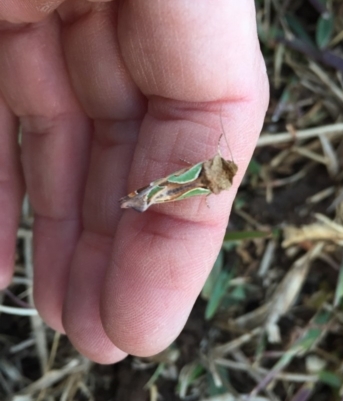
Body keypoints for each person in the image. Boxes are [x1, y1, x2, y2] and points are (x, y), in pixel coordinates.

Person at [0, 0, 269, 363]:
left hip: (175, 186)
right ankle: (138, 199)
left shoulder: (207, 178)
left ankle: (139, 199)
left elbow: (203, 180)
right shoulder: (208, 175)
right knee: (153, 194)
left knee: (155, 196)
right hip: (173, 184)